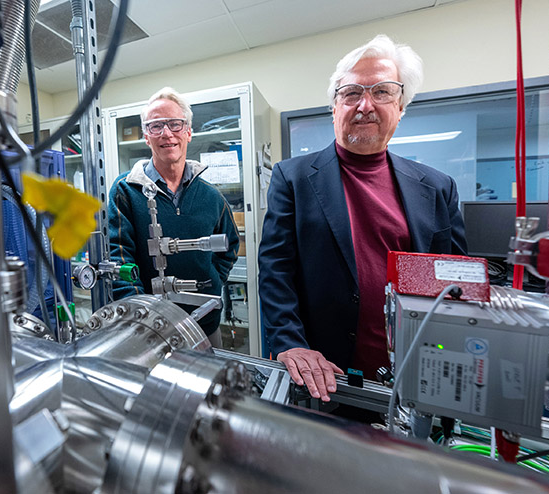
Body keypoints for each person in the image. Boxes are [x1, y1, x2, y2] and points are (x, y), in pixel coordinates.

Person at [258, 35, 467, 402]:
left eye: (382, 92)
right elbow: (276, 270)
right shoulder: (292, 178)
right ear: (334, 107)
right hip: (324, 378)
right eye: (351, 93)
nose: (364, 105)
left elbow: (453, 282)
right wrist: (290, 342)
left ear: (401, 106)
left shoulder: (437, 188)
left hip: (413, 376)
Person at [108, 87, 240, 347]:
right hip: (151, 331)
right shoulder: (125, 190)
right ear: (147, 136)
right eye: (156, 126)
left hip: (204, 324)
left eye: (175, 124)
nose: (166, 133)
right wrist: (142, 320)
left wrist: (210, 280)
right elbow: (120, 259)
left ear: (188, 131)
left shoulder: (211, 196)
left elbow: (231, 246)